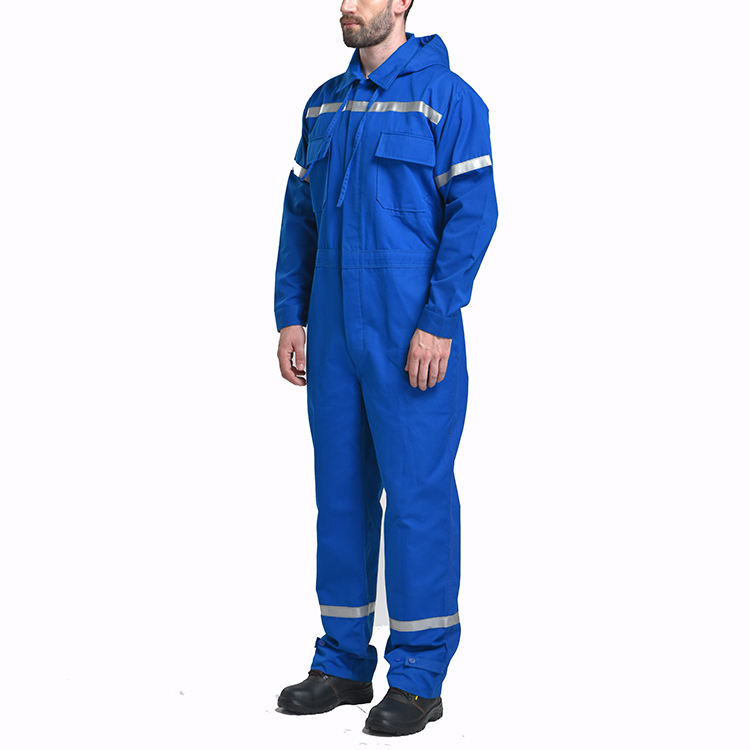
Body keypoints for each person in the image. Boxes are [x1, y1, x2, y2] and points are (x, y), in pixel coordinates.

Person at [273, 0, 498, 736]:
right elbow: (299, 214)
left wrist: (438, 318)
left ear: (402, 1)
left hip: (410, 331)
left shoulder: (448, 98)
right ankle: (342, 662)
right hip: (334, 329)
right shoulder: (324, 104)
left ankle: (419, 677)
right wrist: (291, 314)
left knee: (416, 498)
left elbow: (474, 214)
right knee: (339, 495)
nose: (347, 6)